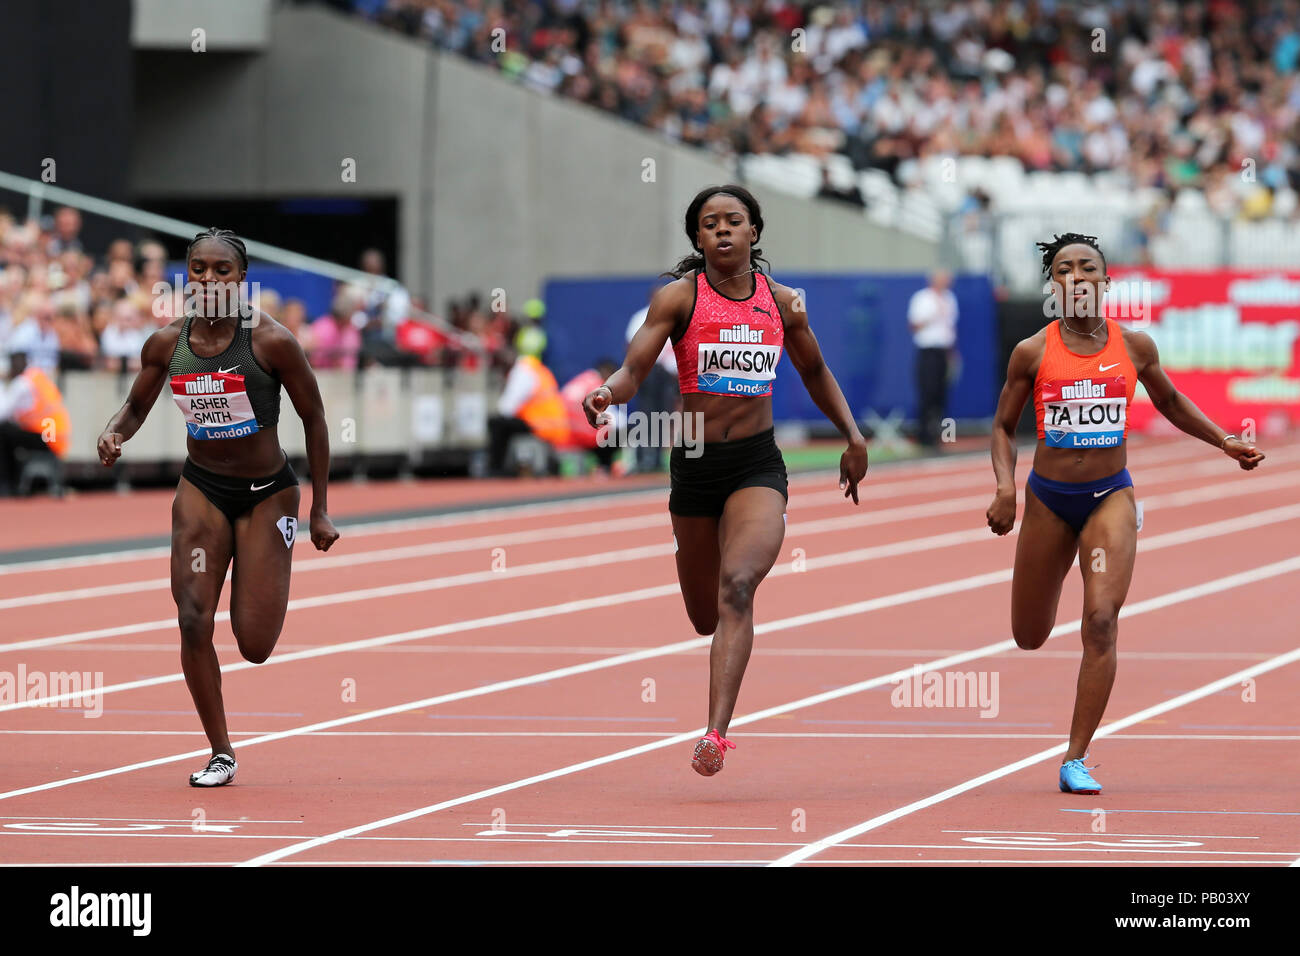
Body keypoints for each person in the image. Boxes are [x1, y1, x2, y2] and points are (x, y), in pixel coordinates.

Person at [583, 184, 868, 776]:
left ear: (754, 233)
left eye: (733, 221)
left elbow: (814, 369)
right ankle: (714, 639)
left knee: (738, 585)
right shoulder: (677, 299)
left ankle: (715, 733)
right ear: (697, 238)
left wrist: (853, 434)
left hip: (756, 465)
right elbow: (637, 366)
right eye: (709, 224)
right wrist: (609, 392)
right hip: (692, 462)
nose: (721, 231)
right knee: (705, 615)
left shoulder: (784, 303)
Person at [986, 233, 1265, 795]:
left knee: (1102, 620)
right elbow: (1000, 427)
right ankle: (1051, 591)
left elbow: (1169, 401)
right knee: (1029, 635)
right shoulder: (1032, 352)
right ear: (1054, 285)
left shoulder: (1135, 346)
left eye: (1088, 267)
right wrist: (1004, 489)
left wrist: (1223, 441)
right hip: (1047, 499)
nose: (1077, 277)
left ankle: (1075, 757)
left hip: (1110, 497)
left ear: (1105, 282)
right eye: (1065, 270)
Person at [96, 228, 339, 788]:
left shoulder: (272, 342)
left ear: (241, 279)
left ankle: (261, 567)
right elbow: (135, 406)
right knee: (190, 617)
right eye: (199, 268)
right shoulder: (166, 343)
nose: (208, 279)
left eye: (221, 270)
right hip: (202, 488)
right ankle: (221, 751)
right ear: (188, 274)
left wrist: (320, 509)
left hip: (266, 493)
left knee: (253, 644)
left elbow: (316, 419)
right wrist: (114, 433)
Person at [487, 325, 569, 475]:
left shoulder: (523, 369)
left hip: (539, 424)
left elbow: (506, 408)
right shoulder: (540, 369)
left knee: (496, 423)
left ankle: (496, 470)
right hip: (555, 426)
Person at [0, 351, 69, 496]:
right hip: (56, 437)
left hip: (46, 437)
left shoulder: (22, 383)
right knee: (10, 433)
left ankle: (6, 485)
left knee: (3, 432)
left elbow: (3, 413)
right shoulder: (38, 376)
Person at [625, 301, 678, 472]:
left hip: (667, 373)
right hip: (649, 370)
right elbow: (631, 344)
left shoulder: (675, 314)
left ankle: (655, 459)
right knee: (646, 414)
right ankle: (643, 458)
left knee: (663, 415)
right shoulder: (642, 316)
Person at [907, 269, 958, 447]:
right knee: (927, 393)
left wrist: (952, 355)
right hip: (927, 351)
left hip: (943, 352)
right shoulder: (922, 298)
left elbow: (951, 328)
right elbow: (914, 325)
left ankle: (941, 436)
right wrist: (932, 315)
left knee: (941, 394)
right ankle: (923, 437)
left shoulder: (950, 299)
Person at [560, 358, 619, 473]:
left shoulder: (578, 380)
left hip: (565, 434)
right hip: (587, 436)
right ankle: (605, 467)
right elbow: (615, 420)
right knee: (623, 431)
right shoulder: (600, 385)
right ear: (608, 373)